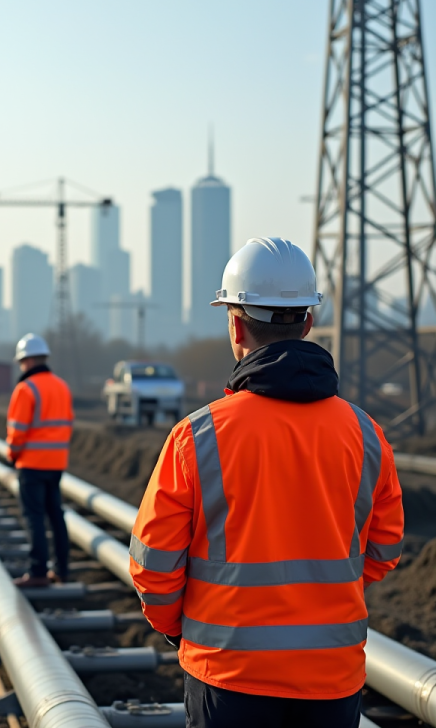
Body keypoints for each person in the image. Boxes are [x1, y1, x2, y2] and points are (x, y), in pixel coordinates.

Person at [130, 237, 404, 728]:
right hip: (332, 678)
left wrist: (180, 630)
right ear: (309, 322)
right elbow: (384, 550)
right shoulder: (366, 435)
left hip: (227, 677)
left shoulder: (197, 437)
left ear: (236, 324)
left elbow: (153, 563)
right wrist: (322, 601)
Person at [6, 333, 74, 588]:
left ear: (27, 361)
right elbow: (67, 424)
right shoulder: (62, 386)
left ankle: (38, 572)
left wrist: (12, 455)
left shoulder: (26, 389)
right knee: (56, 516)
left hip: (31, 464)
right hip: (56, 463)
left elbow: (17, 431)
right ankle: (62, 570)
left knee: (34, 517)